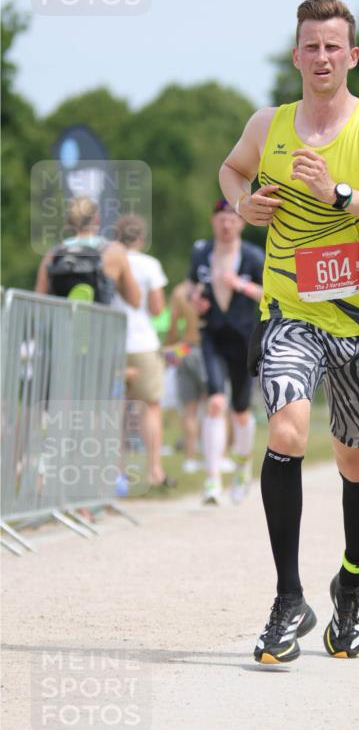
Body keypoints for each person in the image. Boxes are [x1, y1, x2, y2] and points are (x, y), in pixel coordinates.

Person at [220, 0, 359, 663]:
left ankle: (351, 584)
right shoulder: (268, 125)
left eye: (332, 47)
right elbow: (231, 170)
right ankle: (290, 598)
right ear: (296, 55)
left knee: (354, 460)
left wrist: (341, 196)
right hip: (289, 310)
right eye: (310, 46)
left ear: (351, 56)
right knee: (285, 431)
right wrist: (242, 202)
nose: (321, 58)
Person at [187, 198, 264, 506]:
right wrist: (195, 297)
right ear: (213, 220)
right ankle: (212, 479)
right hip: (212, 336)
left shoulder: (253, 256)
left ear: (241, 223)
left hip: (244, 339)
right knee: (216, 402)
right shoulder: (201, 252)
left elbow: (269, 293)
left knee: (241, 411)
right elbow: (190, 285)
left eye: (232, 218)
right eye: (221, 217)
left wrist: (240, 286)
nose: (226, 223)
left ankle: (243, 468)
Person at [112, 214, 174, 490]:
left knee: (116, 409)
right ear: (142, 238)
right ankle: (154, 471)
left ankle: (117, 473)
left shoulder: (108, 261)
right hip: (142, 343)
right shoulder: (150, 265)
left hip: (111, 342)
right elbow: (157, 309)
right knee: (151, 407)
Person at [35, 196, 140, 308]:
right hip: (99, 322)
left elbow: (38, 299)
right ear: (97, 219)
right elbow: (135, 300)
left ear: (68, 222)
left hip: (62, 323)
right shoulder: (114, 251)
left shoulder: (53, 253)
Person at [165, 280, 208, 474]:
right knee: (213, 408)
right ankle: (215, 456)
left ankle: (190, 459)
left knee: (189, 410)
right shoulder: (211, 286)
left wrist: (169, 349)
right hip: (209, 349)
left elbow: (173, 326)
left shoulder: (180, 291)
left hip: (186, 347)